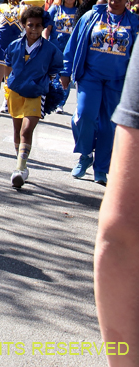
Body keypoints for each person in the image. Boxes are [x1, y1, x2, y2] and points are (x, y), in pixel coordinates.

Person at [60, 0, 139, 185]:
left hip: (118, 81)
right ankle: (85, 155)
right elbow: (73, 45)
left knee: (109, 126)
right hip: (90, 77)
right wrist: (66, 72)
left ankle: (101, 168)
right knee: (85, 116)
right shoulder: (90, 17)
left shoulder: (134, 23)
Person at [95, 44, 139, 364]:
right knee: (88, 122)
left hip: (115, 82)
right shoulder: (93, 20)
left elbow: (122, 230)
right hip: (94, 81)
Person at [4, 6, 63, 188]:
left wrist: (43, 83)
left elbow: (55, 69)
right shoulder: (14, 46)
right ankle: (21, 163)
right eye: (30, 25)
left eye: (38, 26)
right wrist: (8, 85)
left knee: (26, 130)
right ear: (23, 25)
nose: (34, 29)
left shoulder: (50, 50)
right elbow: (7, 66)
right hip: (15, 91)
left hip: (36, 94)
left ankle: (20, 168)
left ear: (43, 27)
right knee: (16, 129)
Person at [44, 0, 83, 113]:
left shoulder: (79, 12)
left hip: (71, 48)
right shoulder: (55, 9)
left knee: (65, 75)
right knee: (52, 75)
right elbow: (47, 28)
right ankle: (49, 100)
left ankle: (60, 103)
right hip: (55, 46)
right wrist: (44, 41)